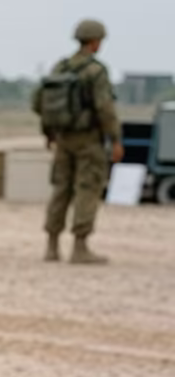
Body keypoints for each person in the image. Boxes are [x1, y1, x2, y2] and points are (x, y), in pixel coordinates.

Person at [32, 19, 123, 264]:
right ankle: (80, 247)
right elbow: (105, 108)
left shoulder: (60, 68)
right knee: (87, 188)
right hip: (88, 140)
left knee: (60, 189)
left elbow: (40, 103)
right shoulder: (95, 71)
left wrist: (49, 132)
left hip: (62, 139)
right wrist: (115, 139)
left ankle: (51, 247)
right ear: (96, 42)